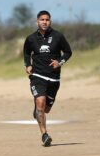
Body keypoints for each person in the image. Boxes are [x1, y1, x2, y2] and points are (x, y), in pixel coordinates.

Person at [23, 10, 72, 147]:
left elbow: (68, 52)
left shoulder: (58, 36)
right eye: (42, 20)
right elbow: (27, 52)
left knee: (46, 109)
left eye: (47, 20)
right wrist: (28, 65)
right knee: (40, 102)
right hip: (37, 76)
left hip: (54, 78)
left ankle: (38, 111)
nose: (44, 22)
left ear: (50, 21)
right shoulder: (31, 38)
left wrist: (59, 62)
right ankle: (44, 134)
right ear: (37, 21)